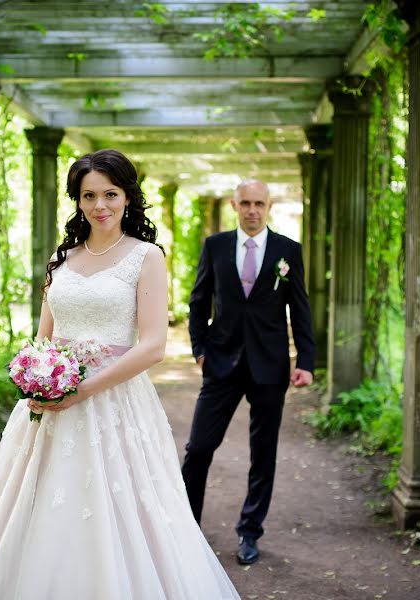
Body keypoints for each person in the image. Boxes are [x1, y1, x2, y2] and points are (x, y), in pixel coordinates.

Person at [0, 149, 239, 599]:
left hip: (113, 402)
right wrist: (36, 378)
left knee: (116, 509)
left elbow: (153, 346)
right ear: (77, 200)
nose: (99, 205)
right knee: (38, 508)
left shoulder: (146, 258)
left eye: (110, 194)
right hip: (50, 403)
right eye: (88, 195)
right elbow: (43, 337)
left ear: (127, 197)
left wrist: (81, 390)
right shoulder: (61, 258)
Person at [182, 179, 315, 566]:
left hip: (269, 366)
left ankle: (249, 531)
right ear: (234, 205)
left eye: (259, 203)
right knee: (198, 449)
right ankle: (188, 529)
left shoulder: (288, 250)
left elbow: (300, 308)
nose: (252, 209)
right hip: (220, 362)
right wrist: (199, 350)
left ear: (269, 206)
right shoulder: (216, 246)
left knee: (263, 452)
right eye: (246, 203)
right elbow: (198, 300)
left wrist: (305, 360)